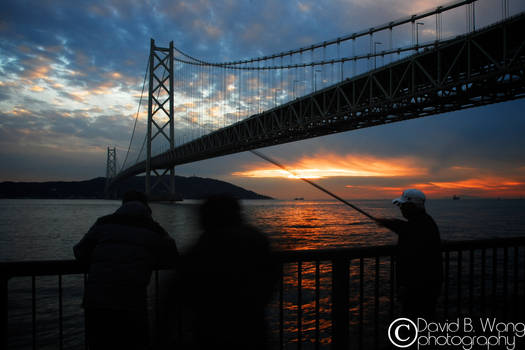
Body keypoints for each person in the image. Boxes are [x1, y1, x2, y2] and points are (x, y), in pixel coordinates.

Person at [73, 190, 178, 350]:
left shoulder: (103, 222)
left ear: (122, 204)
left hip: (96, 299)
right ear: (146, 206)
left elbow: (80, 251)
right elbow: (172, 255)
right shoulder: (153, 228)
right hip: (131, 300)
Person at [178, 195, 280, 350]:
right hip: (253, 329)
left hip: (210, 332)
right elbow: (270, 278)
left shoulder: (202, 248)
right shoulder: (257, 241)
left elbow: (179, 291)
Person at [376, 189, 443, 319]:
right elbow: (405, 228)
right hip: (429, 286)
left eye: (403, 205)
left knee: (414, 322)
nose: (400, 208)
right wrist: (388, 222)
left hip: (418, 288)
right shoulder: (425, 222)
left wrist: (405, 285)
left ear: (412, 206)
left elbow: (414, 260)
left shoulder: (418, 226)